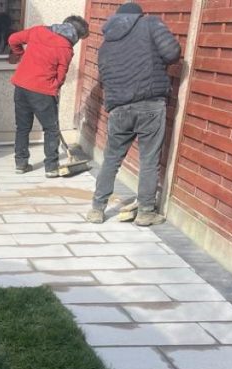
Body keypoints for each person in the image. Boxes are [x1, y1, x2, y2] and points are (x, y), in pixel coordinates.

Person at [88, 2, 181, 226]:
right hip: (149, 103)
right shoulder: (150, 23)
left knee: (111, 158)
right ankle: (146, 212)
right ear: (139, 15)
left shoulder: (106, 42)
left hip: (119, 107)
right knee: (148, 160)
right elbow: (172, 53)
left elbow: (105, 74)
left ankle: (97, 209)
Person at [8, 15, 89, 177]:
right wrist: (55, 87)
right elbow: (61, 74)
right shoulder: (66, 48)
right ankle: (51, 167)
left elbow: (12, 39)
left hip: (21, 86)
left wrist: (20, 55)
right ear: (75, 35)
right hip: (42, 91)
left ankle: (21, 164)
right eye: (79, 38)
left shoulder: (38, 31)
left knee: (22, 127)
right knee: (51, 129)